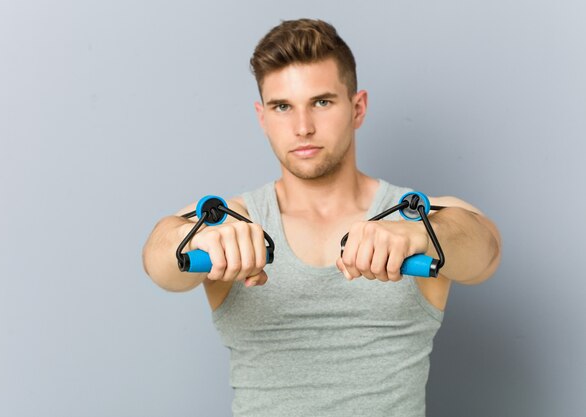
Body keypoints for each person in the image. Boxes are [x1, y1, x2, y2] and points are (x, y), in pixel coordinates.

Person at [143, 18, 501, 417]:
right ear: (263, 118)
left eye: (322, 102)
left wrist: (418, 234)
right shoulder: (234, 221)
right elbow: (160, 260)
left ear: (357, 108)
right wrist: (200, 240)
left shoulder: (410, 215)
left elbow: (485, 251)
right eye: (283, 107)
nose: (303, 127)